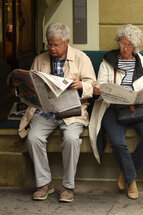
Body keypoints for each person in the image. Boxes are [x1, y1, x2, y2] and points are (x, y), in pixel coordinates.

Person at [17, 23, 96, 202]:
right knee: (33, 137)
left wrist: (81, 85)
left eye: (56, 45)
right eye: (49, 44)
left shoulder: (81, 58)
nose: (51, 49)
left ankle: (68, 187)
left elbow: (94, 85)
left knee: (71, 139)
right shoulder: (40, 59)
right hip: (46, 111)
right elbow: (31, 86)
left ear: (67, 42)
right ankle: (45, 184)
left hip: (72, 111)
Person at [89, 24, 143, 200]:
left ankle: (126, 172)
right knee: (117, 142)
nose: (124, 48)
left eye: (129, 45)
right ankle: (132, 181)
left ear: (135, 46)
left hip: (137, 108)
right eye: (122, 44)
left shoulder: (142, 61)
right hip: (113, 109)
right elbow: (101, 85)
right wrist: (100, 90)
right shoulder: (107, 62)